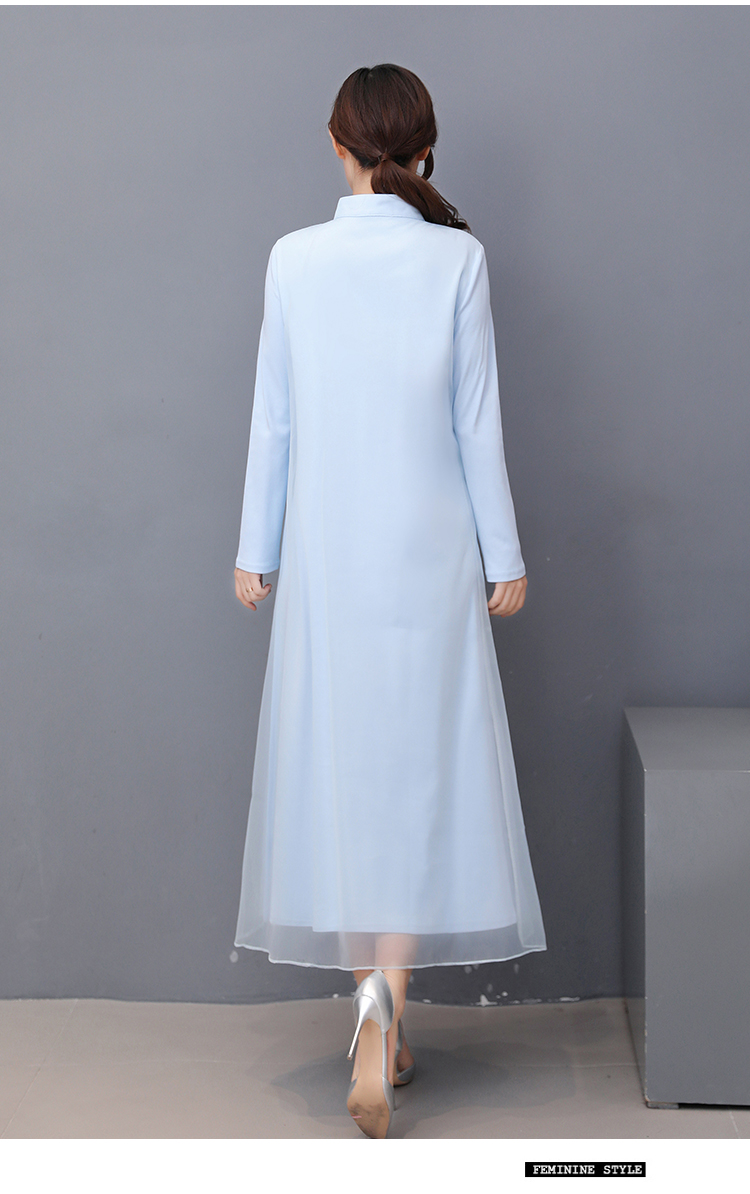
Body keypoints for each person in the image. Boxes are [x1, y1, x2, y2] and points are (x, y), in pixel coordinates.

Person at [232, 63, 547, 1139]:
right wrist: (504, 554)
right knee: (415, 776)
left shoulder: (294, 258)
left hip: (327, 554)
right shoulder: (457, 257)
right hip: (430, 554)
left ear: (336, 145)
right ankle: (386, 1014)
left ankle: (373, 1010)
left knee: (348, 771)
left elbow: (275, 415)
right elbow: (475, 422)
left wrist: (256, 551)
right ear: (425, 150)